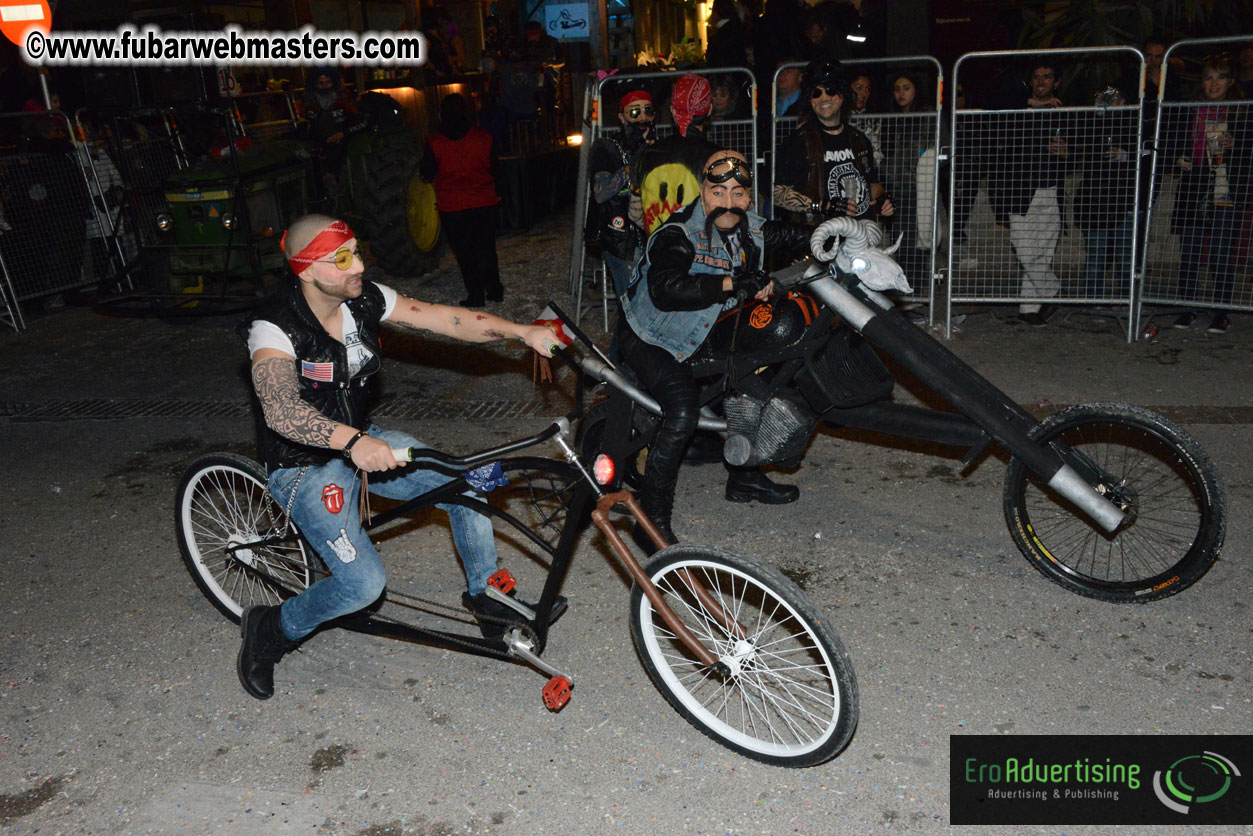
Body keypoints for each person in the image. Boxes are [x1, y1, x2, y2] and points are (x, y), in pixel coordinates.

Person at [235, 214, 563, 701]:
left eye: (358, 251)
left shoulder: (363, 296)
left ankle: (486, 599)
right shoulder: (274, 326)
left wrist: (522, 332)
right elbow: (282, 410)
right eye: (342, 259)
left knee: (466, 484)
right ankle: (270, 630)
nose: (359, 265)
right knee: (363, 585)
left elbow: (445, 318)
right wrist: (350, 442)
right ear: (306, 270)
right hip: (303, 465)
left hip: (363, 440)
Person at [618, 150, 812, 553]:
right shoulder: (677, 234)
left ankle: (744, 476)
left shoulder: (751, 227)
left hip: (704, 333)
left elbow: (797, 235)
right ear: (702, 191)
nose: (727, 202)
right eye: (717, 191)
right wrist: (731, 284)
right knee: (683, 409)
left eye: (738, 193)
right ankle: (650, 519)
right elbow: (666, 287)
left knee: (767, 370)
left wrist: (846, 226)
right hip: (652, 335)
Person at [1168, 54, 1249, 334]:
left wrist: (1236, 143)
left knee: (1220, 252)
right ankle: (1187, 307)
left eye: (1221, 77)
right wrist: (1178, 158)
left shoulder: (1242, 109)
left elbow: (1249, 148)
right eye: (1208, 77)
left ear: (1231, 81)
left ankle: (1221, 312)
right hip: (1195, 182)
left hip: (1226, 184)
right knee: (1189, 250)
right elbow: (1171, 142)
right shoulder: (1191, 108)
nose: (1214, 83)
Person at [989, 61, 1070, 326]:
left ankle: (1029, 307)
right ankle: (1052, 291)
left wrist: (1067, 153)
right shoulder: (1017, 107)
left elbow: (1076, 152)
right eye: (1037, 77)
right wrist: (1034, 106)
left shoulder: (1063, 112)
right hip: (1020, 189)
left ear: (1056, 82)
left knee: (1043, 251)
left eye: (1047, 76)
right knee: (1024, 247)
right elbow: (999, 106)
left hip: (1050, 188)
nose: (1042, 81)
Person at [772, 61, 894, 225]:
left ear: (842, 95)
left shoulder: (859, 139)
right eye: (816, 93)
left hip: (860, 235)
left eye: (831, 91)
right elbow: (777, 194)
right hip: (820, 238)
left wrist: (882, 199)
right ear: (810, 100)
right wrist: (822, 206)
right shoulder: (798, 141)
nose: (824, 98)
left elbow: (872, 183)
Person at [420, 94, 503, 307]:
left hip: (453, 206)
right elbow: (496, 168)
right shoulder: (484, 138)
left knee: (465, 252)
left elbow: (426, 172)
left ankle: (476, 295)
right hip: (484, 201)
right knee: (486, 247)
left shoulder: (435, 142)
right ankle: (494, 290)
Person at [588, 89, 656, 299]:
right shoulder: (607, 148)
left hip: (654, 233)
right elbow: (600, 193)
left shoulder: (657, 147)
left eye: (648, 110)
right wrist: (632, 164)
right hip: (620, 238)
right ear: (621, 117)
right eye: (634, 112)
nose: (642, 117)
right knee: (632, 302)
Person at [637, 73, 720, 235]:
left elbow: (637, 214)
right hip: (704, 253)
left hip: (658, 251)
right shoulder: (719, 157)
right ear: (709, 110)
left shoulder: (648, 153)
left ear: (673, 111)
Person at [1076, 87, 1136, 300]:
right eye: (1108, 97)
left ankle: (1126, 302)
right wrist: (1098, 111)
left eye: (1117, 97)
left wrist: (1125, 154)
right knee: (1096, 254)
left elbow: (1147, 156)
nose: (1112, 101)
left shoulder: (1134, 121)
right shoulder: (1094, 122)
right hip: (1096, 200)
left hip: (1125, 199)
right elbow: (1083, 140)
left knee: (1125, 255)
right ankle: (1093, 299)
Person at [880, 71, 931, 285]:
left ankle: (914, 284)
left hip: (918, 186)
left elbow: (937, 151)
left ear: (916, 90)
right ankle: (901, 282)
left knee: (917, 237)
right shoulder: (890, 117)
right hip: (894, 185)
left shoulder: (927, 116)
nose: (901, 93)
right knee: (898, 237)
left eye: (906, 88)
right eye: (897, 88)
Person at [301, 67, 364, 196]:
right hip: (318, 143)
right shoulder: (310, 104)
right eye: (320, 83)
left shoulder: (344, 101)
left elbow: (360, 123)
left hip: (344, 140)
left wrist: (343, 133)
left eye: (327, 82)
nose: (324, 86)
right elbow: (305, 125)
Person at [705, 0, 750, 69]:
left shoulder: (722, 34)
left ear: (716, 13)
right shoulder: (738, 27)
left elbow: (714, 60)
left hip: (725, 74)